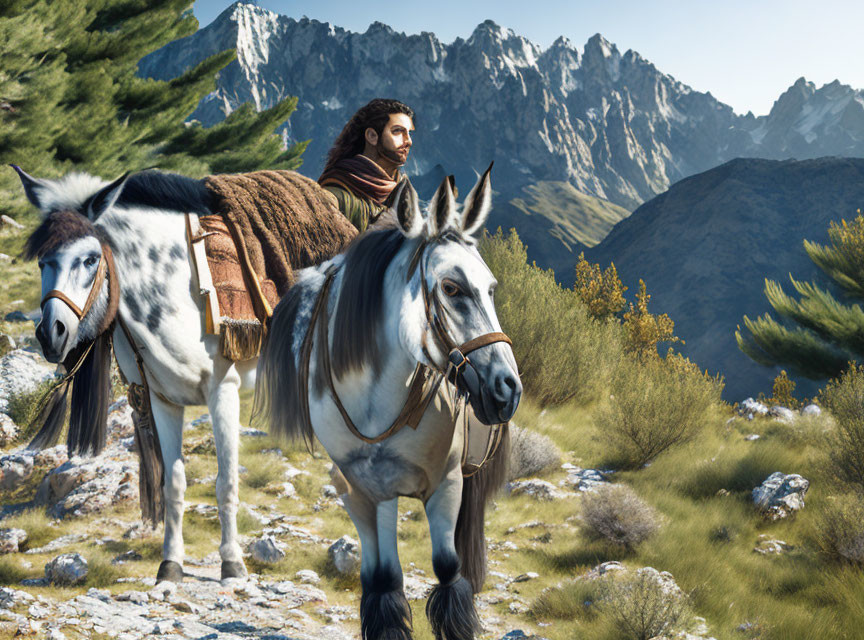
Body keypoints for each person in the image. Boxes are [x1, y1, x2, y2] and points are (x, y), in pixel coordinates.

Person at [319, 98, 415, 232]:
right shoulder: (333, 198)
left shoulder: (403, 197)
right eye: (398, 131)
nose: (408, 141)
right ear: (372, 136)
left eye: (409, 133)